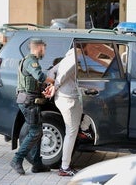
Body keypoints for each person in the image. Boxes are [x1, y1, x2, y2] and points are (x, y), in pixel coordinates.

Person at [10, 38, 54, 175]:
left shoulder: (29, 61)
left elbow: (34, 82)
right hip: (28, 102)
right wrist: (53, 81)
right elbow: (40, 76)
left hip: (29, 100)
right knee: (35, 132)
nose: (44, 52)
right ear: (40, 47)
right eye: (44, 48)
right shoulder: (31, 61)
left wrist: (43, 89)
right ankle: (17, 159)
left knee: (38, 132)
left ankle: (37, 164)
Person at [44, 47, 83, 176]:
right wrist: (54, 86)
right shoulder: (74, 59)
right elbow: (63, 75)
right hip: (68, 99)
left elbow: (52, 71)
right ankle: (65, 167)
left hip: (64, 98)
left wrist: (52, 85)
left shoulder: (68, 57)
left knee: (72, 130)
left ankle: (84, 128)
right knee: (71, 132)